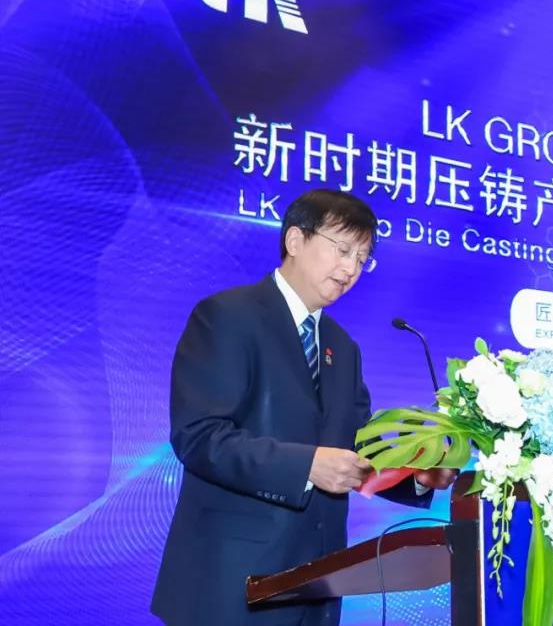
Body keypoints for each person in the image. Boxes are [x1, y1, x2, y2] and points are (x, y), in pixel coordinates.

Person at [152, 189, 455, 625]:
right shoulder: (227, 316)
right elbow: (199, 436)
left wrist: (415, 476)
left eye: (362, 259)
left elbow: (356, 449)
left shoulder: (341, 347)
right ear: (295, 240)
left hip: (318, 586)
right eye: (343, 250)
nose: (350, 269)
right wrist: (307, 467)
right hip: (230, 582)